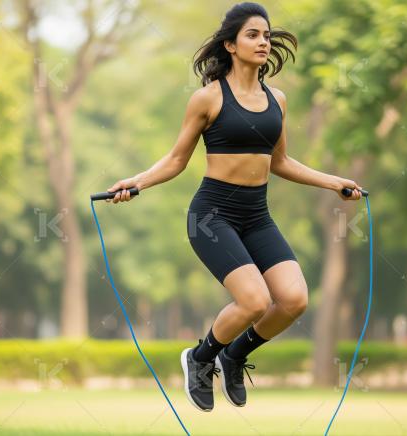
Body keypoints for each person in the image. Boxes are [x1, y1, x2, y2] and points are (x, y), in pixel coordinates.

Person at [105, 2, 363, 412]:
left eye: (266, 35)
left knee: (294, 300)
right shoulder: (207, 99)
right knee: (255, 302)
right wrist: (136, 182)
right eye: (253, 35)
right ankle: (200, 358)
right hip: (211, 216)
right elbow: (175, 161)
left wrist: (334, 183)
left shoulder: (277, 99)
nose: (264, 42)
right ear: (230, 44)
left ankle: (233, 355)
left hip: (256, 216)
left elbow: (279, 163)